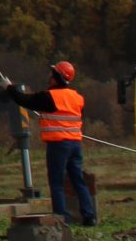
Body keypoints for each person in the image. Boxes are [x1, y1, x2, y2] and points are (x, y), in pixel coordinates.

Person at [8, 60, 97, 226]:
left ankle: (61, 218)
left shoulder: (49, 97)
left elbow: (25, 100)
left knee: (57, 183)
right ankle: (89, 215)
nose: (49, 77)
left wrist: (9, 89)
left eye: (52, 74)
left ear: (56, 77)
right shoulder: (78, 97)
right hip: (75, 144)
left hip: (58, 145)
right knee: (78, 180)